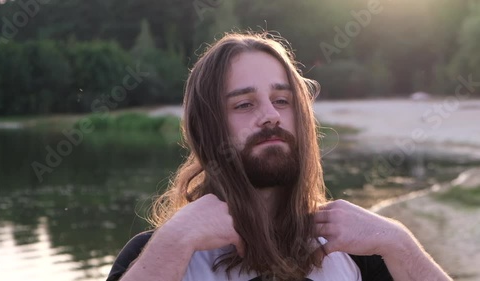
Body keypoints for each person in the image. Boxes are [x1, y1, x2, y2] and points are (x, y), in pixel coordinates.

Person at [107, 32, 452, 281]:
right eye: (244, 104)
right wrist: (175, 240)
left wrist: (398, 243)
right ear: (206, 129)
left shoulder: (355, 251)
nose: (270, 115)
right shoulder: (163, 254)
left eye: (282, 100)